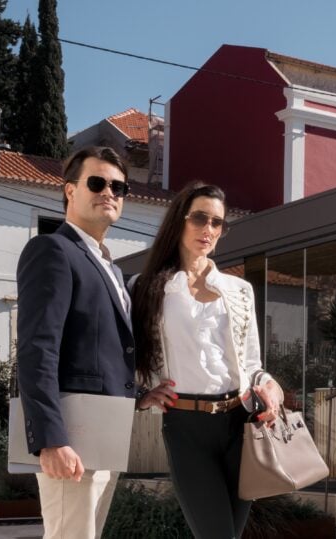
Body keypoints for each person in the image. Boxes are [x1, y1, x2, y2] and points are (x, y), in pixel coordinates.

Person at [132, 181, 283, 539]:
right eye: (200, 218)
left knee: (230, 533)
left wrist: (270, 386)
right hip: (186, 427)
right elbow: (133, 355)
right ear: (179, 221)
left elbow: (251, 362)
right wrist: (141, 394)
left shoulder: (239, 290)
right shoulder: (146, 287)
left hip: (240, 423)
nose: (209, 230)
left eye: (218, 223)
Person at [16, 146, 135, 539]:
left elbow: (104, 351)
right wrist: (51, 439)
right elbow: (37, 349)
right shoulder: (52, 250)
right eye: (97, 183)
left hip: (106, 433)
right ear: (70, 190)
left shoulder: (113, 270)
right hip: (72, 439)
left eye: (119, 187)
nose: (109, 193)